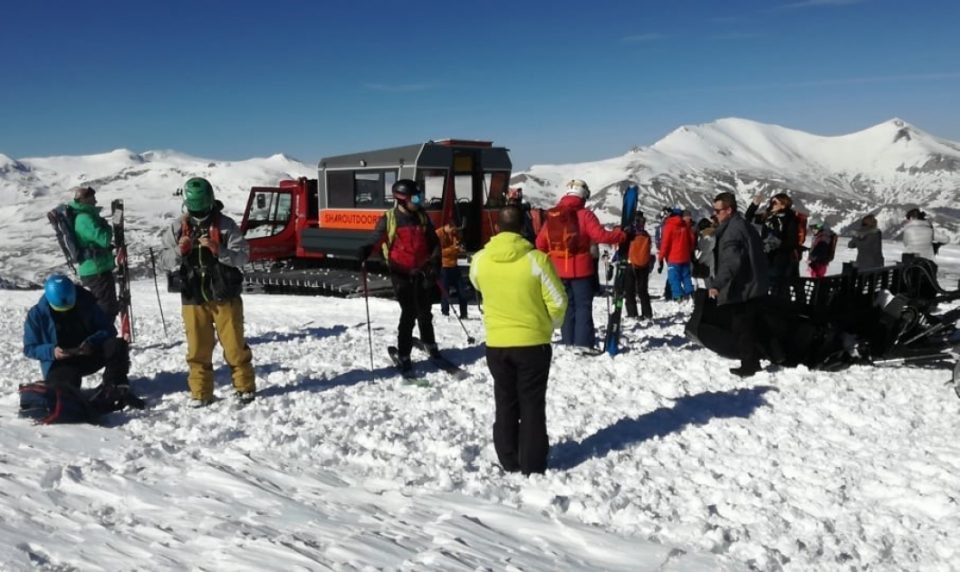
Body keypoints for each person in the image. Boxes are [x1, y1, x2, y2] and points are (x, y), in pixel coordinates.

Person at [469, 206, 567, 475]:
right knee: (532, 403)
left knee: (505, 400)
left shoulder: (480, 260)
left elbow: (476, 284)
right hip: (533, 343)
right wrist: (549, 326)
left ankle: (508, 457)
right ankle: (532, 463)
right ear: (524, 227)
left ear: (497, 227)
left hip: (497, 343)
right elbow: (558, 301)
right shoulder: (537, 260)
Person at [161, 177, 256, 407]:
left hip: (224, 293)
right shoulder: (177, 227)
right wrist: (178, 251)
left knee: (234, 345)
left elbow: (243, 255)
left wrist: (219, 250)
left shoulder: (225, 225)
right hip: (193, 295)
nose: (198, 210)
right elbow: (165, 260)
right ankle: (201, 392)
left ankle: (244, 387)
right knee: (197, 348)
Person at [358, 179, 442, 371]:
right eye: (416, 197)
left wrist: (435, 263)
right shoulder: (390, 219)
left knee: (425, 311)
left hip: (421, 271)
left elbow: (434, 242)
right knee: (409, 312)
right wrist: (366, 249)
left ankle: (430, 343)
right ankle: (404, 354)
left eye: (420, 196)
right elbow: (376, 238)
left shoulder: (421, 217)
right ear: (402, 199)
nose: (419, 200)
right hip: (400, 272)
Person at [23, 274, 143, 407]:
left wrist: (91, 342)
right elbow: (30, 348)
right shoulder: (37, 315)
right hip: (60, 363)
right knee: (64, 395)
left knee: (117, 345)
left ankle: (115, 387)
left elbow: (109, 330)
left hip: (89, 353)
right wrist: (52, 352)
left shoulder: (86, 302)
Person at [535, 179, 626, 348]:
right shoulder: (585, 215)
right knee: (583, 308)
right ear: (583, 196)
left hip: (558, 272)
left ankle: (568, 342)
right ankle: (583, 343)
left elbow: (540, 243)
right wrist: (620, 235)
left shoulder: (553, 215)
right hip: (581, 271)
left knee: (566, 308)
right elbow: (600, 236)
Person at [707, 192, 771, 377]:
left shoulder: (733, 231)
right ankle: (753, 360)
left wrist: (717, 284)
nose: (715, 214)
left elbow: (731, 261)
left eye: (718, 211)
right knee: (750, 324)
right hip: (753, 282)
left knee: (742, 326)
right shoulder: (741, 224)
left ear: (729, 210)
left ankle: (749, 364)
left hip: (744, 286)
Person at [68, 186, 119, 321]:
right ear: (85, 200)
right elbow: (104, 239)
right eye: (92, 198)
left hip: (97, 269)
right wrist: (107, 226)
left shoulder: (86, 216)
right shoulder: (84, 218)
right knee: (106, 310)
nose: (95, 201)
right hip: (96, 271)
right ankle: (104, 339)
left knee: (106, 307)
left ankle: (104, 338)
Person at [745, 193, 801, 299]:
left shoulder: (790, 219)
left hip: (779, 260)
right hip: (765, 257)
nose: (771, 205)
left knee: (778, 287)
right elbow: (748, 218)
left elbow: (792, 242)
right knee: (762, 284)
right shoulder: (769, 217)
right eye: (771, 201)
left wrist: (777, 244)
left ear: (783, 205)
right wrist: (754, 204)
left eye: (775, 202)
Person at [657, 208, 695, 300]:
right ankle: (691, 294)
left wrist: (661, 258)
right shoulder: (685, 226)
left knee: (674, 278)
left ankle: (678, 296)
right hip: (685, 257)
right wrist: (689, 251)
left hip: (673, 258)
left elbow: (665, 243)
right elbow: (692, 240)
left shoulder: (669, 226)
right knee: (686, 277)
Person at [436, 222, 468, 319]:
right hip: (444, 266)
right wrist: (453, 249)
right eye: (453, 230)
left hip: (454, 265)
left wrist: (460, 248)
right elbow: (439, 252)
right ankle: (445, 312)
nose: (454, 232)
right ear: (447, 226)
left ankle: (464, 313)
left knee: (462, 290)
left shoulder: (454, 234)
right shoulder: (438, 234)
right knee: (445, 291)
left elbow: (457, 244)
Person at [624, 213, 653, 320]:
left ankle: (632, 313)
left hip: (631, 263)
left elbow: (622, 246)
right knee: (643, 290)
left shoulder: (629, 233)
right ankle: (647, 313)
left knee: (630, 290)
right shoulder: (646, 235)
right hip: (644, 265)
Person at [692, 217, 717, 288]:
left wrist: (698, 261)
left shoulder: (707, 237)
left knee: (708, 279)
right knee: (710, 277)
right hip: (710, 258)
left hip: (706, 261)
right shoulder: (711, 234)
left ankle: (711, 295)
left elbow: (705, 248)